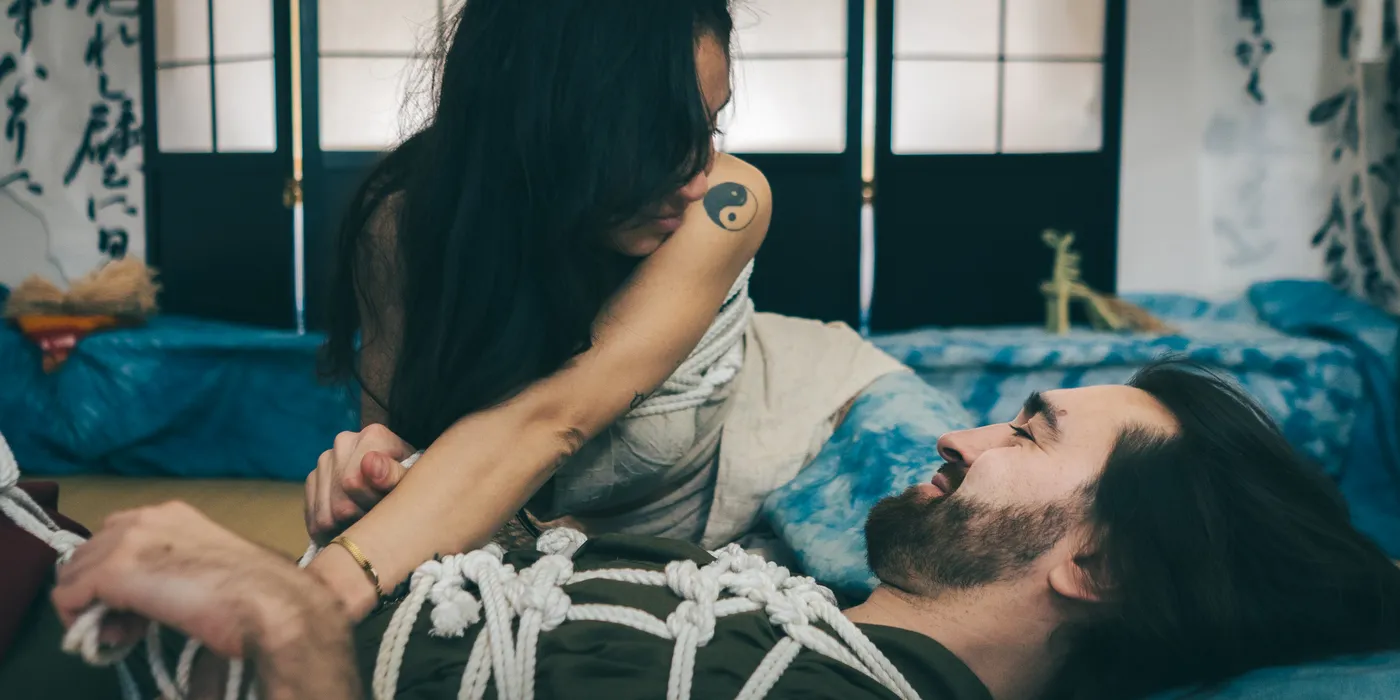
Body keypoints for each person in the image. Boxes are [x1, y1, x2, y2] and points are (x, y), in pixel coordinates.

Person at [40, 361, 1400, 700]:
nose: (960, 435)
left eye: (1028, 436)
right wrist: (422, 544)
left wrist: (289, 624)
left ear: (1092, 565)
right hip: (89, 600)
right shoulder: (801, 617)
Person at [304, 0, 908, 620]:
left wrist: (321, 597)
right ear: (541, 119)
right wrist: (367, 471)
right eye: (656, 136)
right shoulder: (404, 226)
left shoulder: (730, 199)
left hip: (823, 411)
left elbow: (553, 417)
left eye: (710, 126)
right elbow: (401, 454)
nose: (698, 173)